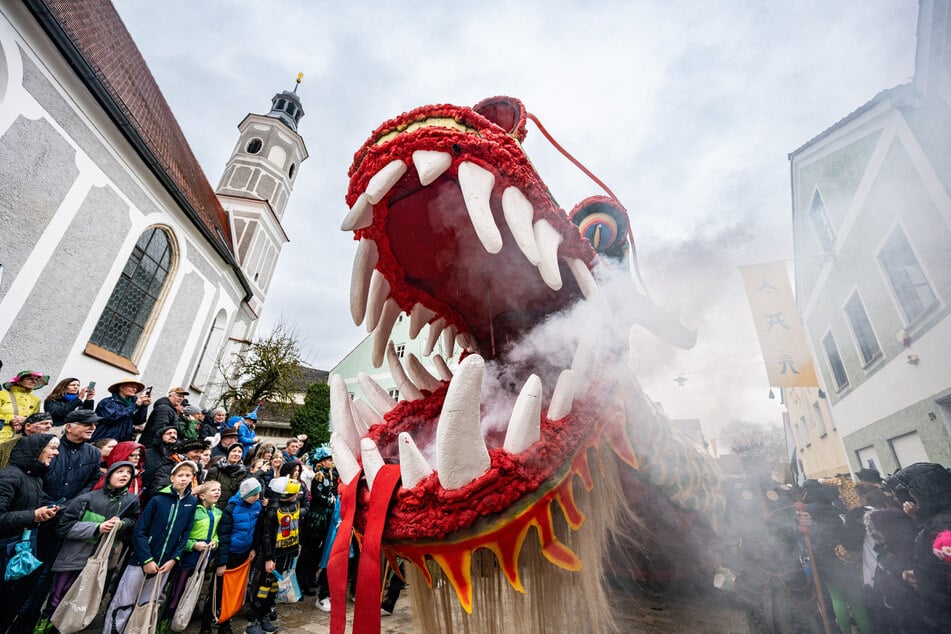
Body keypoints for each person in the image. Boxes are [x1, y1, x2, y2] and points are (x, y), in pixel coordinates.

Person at [38, 461, 139, 630]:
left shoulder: (131, 500)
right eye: (120, 471)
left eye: (129, 473)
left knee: (79, 602)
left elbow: (132, 520)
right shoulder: (87, 498)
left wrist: (121, 524)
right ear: (109, 475)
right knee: (58, 598)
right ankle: (44, 628)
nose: (125, 475)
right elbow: (63, 527)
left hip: (100, 561)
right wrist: (97, 527)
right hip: (72, 558)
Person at [103, 460, 199, 634]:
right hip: (141, 560)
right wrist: (146, 559)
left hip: (165, 564)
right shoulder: (158, 500)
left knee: (147, 604)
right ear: (172, 478)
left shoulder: (192, 502)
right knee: (124, 600)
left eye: (188, 476)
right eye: (180, 475)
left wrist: (174, 559)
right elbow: (140, 532)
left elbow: (185, 534)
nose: (184, 479)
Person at [0, 434, 61, 631]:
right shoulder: (10, 476)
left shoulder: (35, 478)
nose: (56, 452)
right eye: (52, 447)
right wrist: (33, 515)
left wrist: (46, 512)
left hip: (16, 552)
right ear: (36, 450)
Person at [887, 462, 951, 632]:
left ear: (926, 493)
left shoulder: (936, 530)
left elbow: (938, 590)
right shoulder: (934, 523)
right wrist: (922, 574)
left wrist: (925, 580)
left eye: (913, 493)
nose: (910, 498)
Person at [199, 478, 262, 634]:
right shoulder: (231, 509)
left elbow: (257, 529)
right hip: (229, 555)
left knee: (234, 592)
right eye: (254, 494)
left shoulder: (257, 506)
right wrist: (221, 562)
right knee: (218, 591)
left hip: (245, 555)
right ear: (245, 494)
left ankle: (225, 624)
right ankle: (206, 625)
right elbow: (224, 536)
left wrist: (253, 548)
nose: (258, 497)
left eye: (259, 493)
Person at [161, 480, 221, 633]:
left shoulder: (217, 512)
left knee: (193, 588)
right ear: (202, 495)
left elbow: (216, 534)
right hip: (188, 557)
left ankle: (183, 617)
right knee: (177, 589)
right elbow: (182, 534)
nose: (217, 492)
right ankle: (165, 620)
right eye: (213, 490)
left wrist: (214, 542)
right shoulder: (194, 511)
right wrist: (193, 545)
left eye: (219, 490)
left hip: (204, 559)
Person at [247, 476, 301, 634]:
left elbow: (297, 528)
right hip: (272, 556)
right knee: (262, 586)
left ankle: (264, 616)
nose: (297, 495)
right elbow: (266, 536)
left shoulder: (294, 506)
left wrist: (295, 548)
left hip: (287, 553)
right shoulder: (272, 510)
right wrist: (268, 558)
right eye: (295, 493)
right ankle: (253, 619)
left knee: (274, 588)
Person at [44, 410, 106, 504]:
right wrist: (47, 503)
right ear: (69, 427)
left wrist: (74, 502)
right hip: (42, 508)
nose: (93, 428)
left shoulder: (93, 452)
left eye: (95, 424)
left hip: (72, 509)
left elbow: (93, 480)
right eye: (87, 424)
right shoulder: (49, 448)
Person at [93, 378, 150, 442]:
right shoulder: (107, 402)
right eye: (132, 387)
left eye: (136, 388)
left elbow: (139, 421)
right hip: (103, 440)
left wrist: (144, 406)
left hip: (122, 442)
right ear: (121, 388)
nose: (135, 389)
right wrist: (135, 406)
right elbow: (112, 418)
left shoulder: (133, 404)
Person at [0, 370, 48, 442]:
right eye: (30, 378)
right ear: (18, 381)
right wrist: (10, 418)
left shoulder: (36, 400)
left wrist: (26, 420)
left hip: (19, 440)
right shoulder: (2, 394)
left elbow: (35, 421)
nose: (34, 381)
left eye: (36, 380)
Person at [207, 444, 248, 510]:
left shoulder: (243, 472)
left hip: (232, 510)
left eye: (239, 452)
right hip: (215, 509)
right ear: (228, 453)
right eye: (234, 451)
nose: (236, 454)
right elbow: (208, 491)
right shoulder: (215, 470)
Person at [142, 425, 179, 492]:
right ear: (160, 436)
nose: (173, 435)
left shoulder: (178, 455)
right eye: (169, 433)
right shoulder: (148, 453)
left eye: (175, 433)